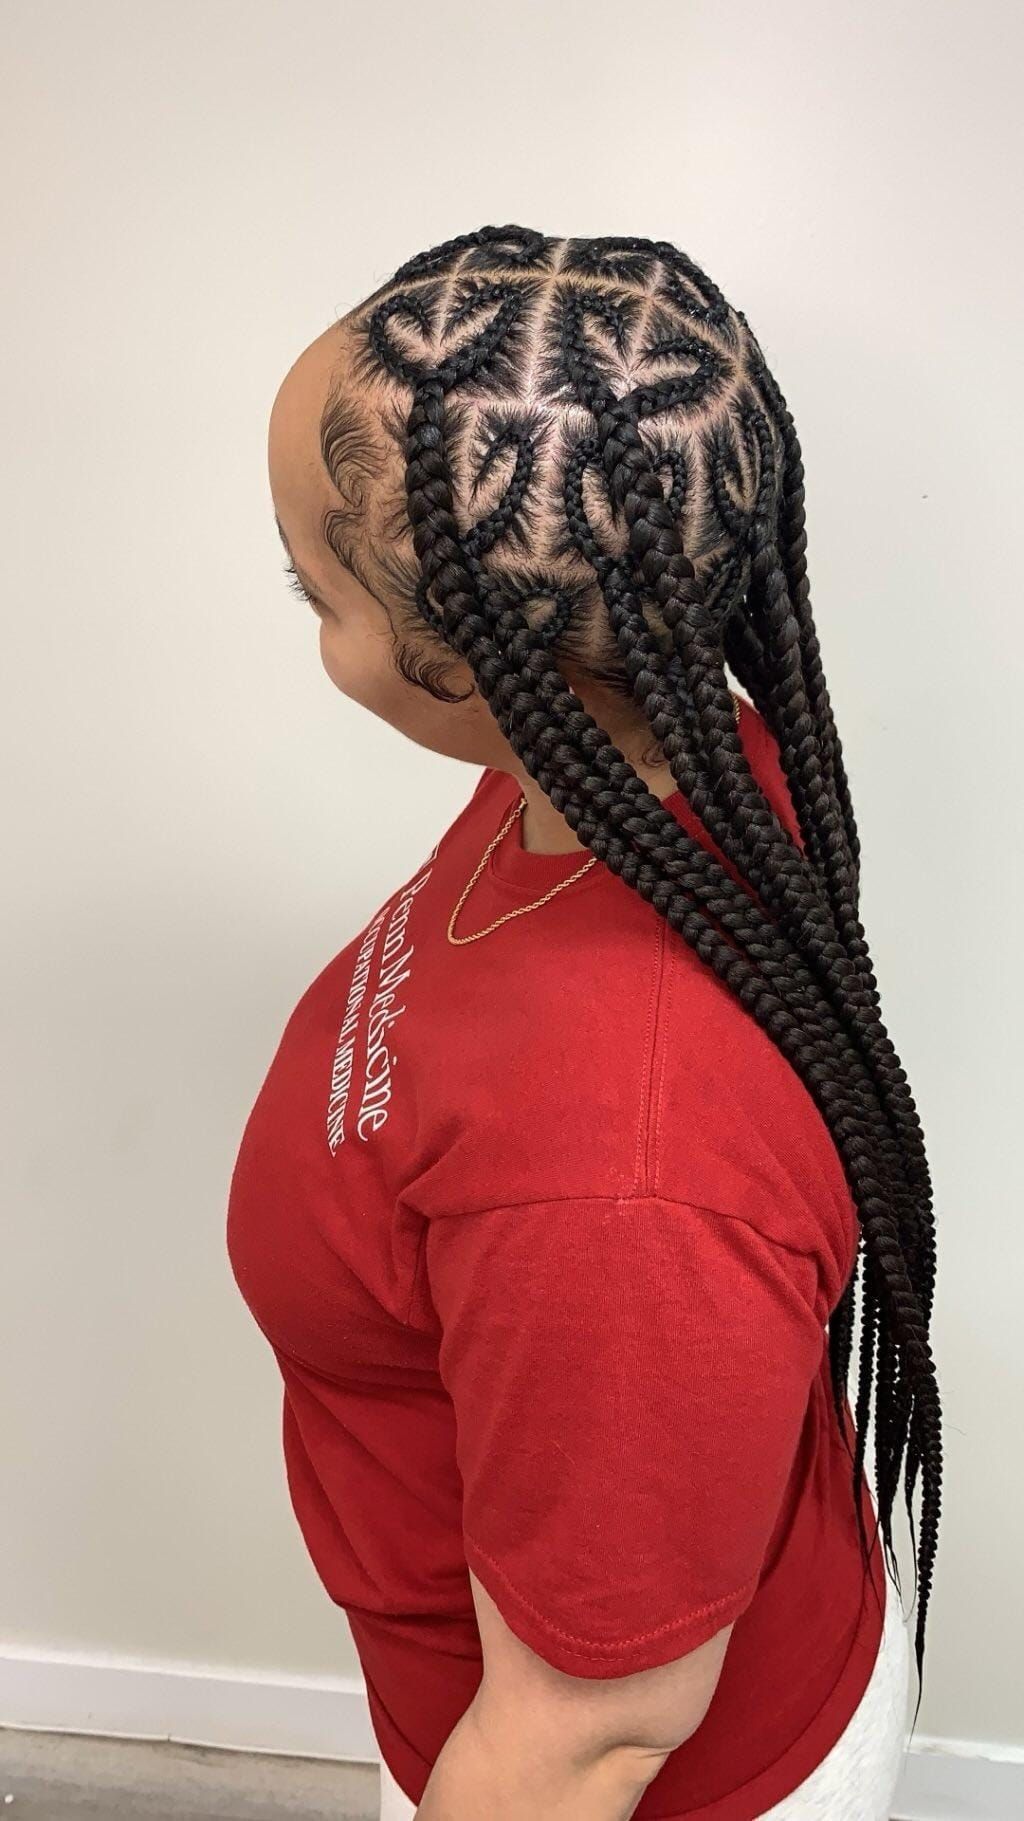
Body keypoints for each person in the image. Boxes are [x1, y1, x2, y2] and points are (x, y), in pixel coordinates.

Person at [227, 225, 939, 1820]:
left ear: (481, 654)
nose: (301, 612)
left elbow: (585, 1737)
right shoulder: (637, 771)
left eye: (309, 580)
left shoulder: (621, 1184)